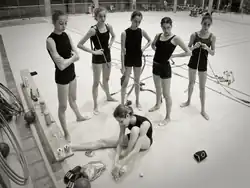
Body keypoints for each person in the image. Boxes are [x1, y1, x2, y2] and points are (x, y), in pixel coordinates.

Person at [70, 104, 153, 179]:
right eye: (118, 122)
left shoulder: (144, 124)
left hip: (145, 141)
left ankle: (127, 152)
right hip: (133, 136)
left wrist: (121, 164)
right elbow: (120, 142)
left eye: (121, 121)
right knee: (103, 141)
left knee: (135, 130)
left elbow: (135, 150)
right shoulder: (124, 122)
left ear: (127, 116)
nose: (120, 124)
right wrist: (116, 161)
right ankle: (72, 146)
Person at [46, 10, 90, 142]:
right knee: (63, 106)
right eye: (61, 23)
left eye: (65, 23)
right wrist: (72, 59)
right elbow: (61, 65)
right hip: (61, 77)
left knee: (73, 99)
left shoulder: (67, 35)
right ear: (54, 22)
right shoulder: (50, 40)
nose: (64, 26)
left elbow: (77, 54)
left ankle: (78, 116)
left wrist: (69, 60)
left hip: (71, 72)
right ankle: (66, 132)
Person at [149, 17, 191, 126]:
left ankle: (167, 117)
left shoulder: (175, 38)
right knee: (157, 88)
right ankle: (157, 104)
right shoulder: (158, 35)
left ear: (171, 26)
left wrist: (173, 55)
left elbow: (188, 52)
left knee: (166, 93)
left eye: (168, 28)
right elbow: (153, 44)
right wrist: (156, 50)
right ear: (161, 27)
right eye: (164, 28)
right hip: (155, 65)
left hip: (165, 68)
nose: (166, 30)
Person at [77, 7, 117, 115]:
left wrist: (110, 43)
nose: (103, 19)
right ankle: (95, 105)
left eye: (104, 16)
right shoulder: (93, 30)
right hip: (97, 58)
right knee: (96, 82)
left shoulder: (109, 26)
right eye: (100, 17)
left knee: (106, 79)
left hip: (107, 56)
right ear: (96, 17)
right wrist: (93, 52)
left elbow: (113, 36)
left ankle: (108, 96)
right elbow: (79, 44)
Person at [180, 13, 216, 120]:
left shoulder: (212, 37)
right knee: (191, 83)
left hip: (203, 64)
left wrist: (207, 49)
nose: (206, 26)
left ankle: (203, 110)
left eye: (208, 25)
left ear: (210, 25)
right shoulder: (194, 35)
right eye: (205, 24)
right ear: (201, 23)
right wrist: (194, 47)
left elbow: (213, 52)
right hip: (193, 62)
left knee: (202, 87)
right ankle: (188, 101)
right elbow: (187, 49)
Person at [120, 11, 152, 110]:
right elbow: (122, 51)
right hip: (128, 59)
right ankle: (122, 103)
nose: (137, 23)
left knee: (137, 82)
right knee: (125, 82)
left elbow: (150, 41)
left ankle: (137, 101)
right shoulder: (124, 33)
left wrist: (143, 49)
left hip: (137, 58)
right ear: (131, 19)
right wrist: (122, 66)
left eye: (139, 22)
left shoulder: (141, 31)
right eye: (135, 21)